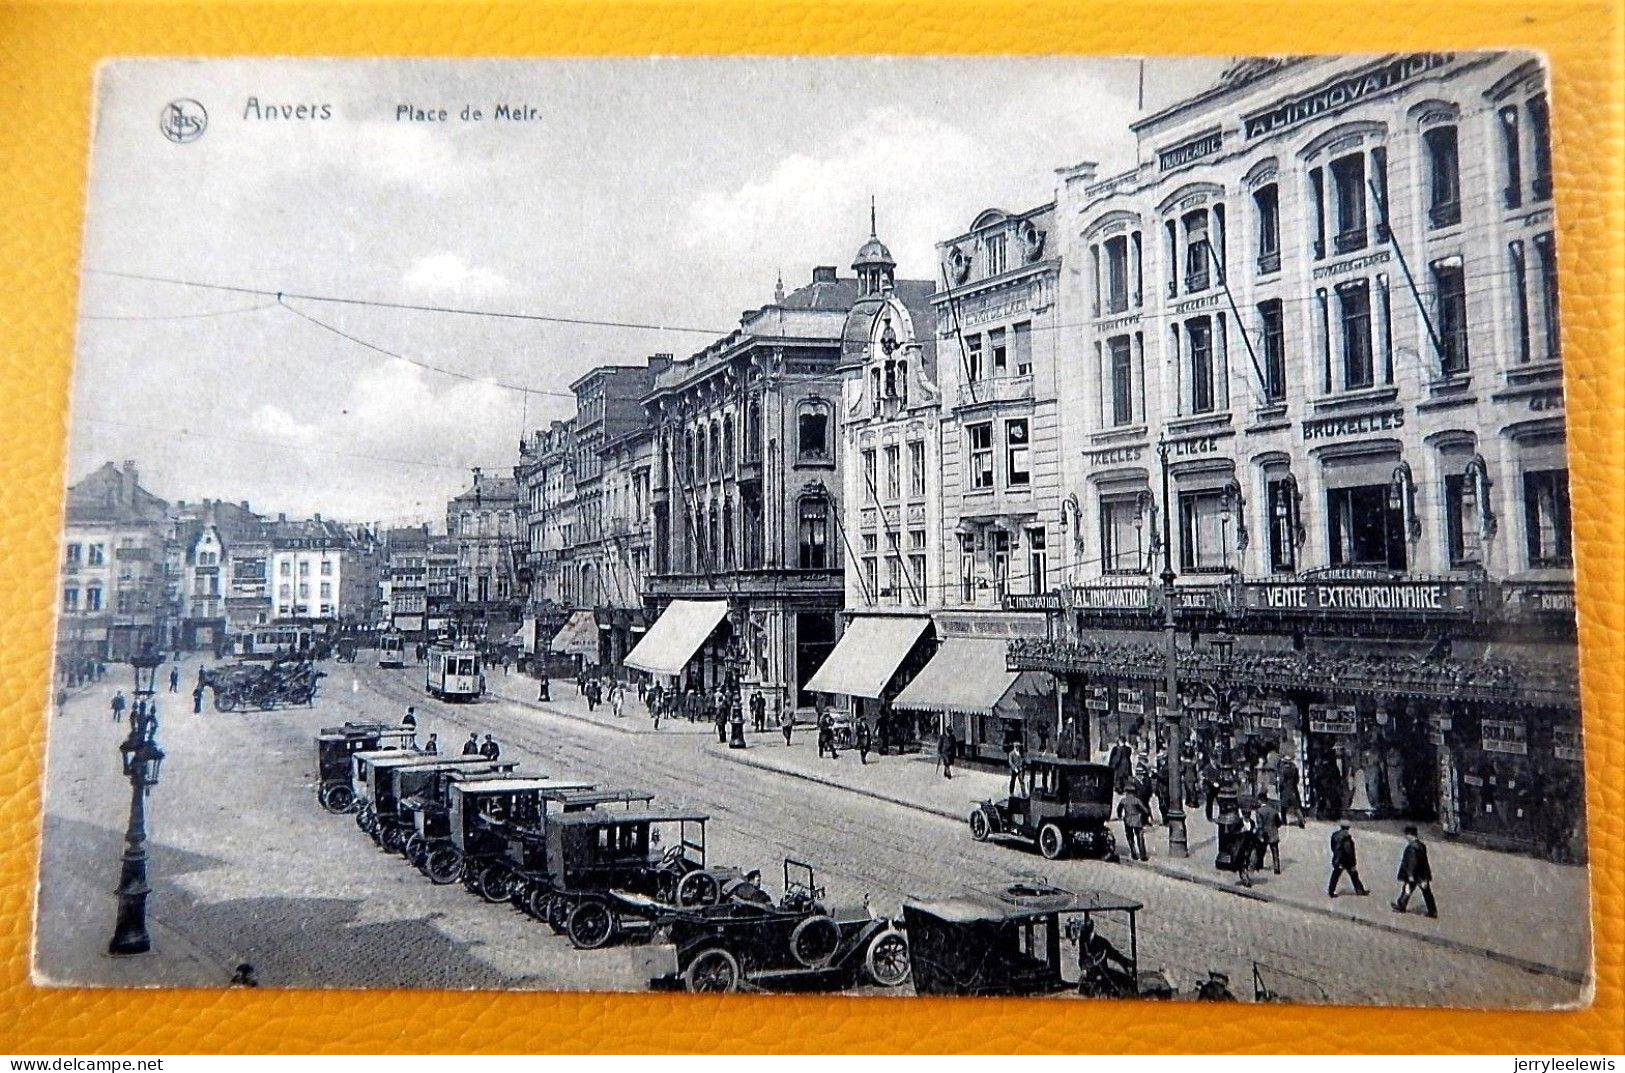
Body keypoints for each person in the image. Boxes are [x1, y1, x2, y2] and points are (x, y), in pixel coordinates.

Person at [1068, 916, 1134, 997]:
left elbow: (1113, 954)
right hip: (1090, 974)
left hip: (1101, 972)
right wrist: (1084, 968)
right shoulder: (1083, 942)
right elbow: (1082, 957)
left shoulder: (1101, 942)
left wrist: (1126, 962)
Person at [1391, 825, 1438, 918]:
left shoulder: (1411, 847)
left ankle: (1401, 905)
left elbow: (1412, 862)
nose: (1406, 837)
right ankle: (1432, 911)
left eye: (1406, 835)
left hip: (1415, 875)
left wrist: (1410, 875)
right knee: (1426, 892)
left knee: (1407, 889)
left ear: (1410, 835)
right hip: (1422, 874)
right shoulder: (1421, 846)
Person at [1327, 819, 1370, 897]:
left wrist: (1337, 856)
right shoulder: (1346, 838)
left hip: (1337, 859)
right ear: (1348, 828)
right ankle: (1360, 890)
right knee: (1354, 876)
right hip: (1346, 860)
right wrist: (1353, 863)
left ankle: (1331, 891)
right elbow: (1349, 852)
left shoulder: (1335, 835)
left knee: (1335, 876)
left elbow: (1333, 847)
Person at [1116, 785, 1149, 861]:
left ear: (1126, 792)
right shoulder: (1136, 800)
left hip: (1127, 820)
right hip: (1137, 820)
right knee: (1140, 837)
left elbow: (1119, 810)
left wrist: (1120, 816)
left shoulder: (1123, 800)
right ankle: (1142, 855)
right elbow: (1145, 810)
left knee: (1130, 837)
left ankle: (1133, 853)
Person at [1254, 794, 1284, 875]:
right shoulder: (1274, 811)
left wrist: (1258, 833)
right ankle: (1277, 868)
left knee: (1261, 850)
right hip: (1273, 833)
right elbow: (1279, 823)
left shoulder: (1259, 811)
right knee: (1275, 851)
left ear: (1260, 801)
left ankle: (1259, 865)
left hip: (1264, 834)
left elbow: (1260, 825)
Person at [1279, 756, 1305, 828]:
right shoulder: (1294, 768)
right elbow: (1297, 779)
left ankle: (1284, 821)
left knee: (1283, 807)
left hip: (1285, 790)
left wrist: (1280, 787)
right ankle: (1301, 820)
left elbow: (1281, 781)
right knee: (1296, 807)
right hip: (1293, 789)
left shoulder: (1283, 769)